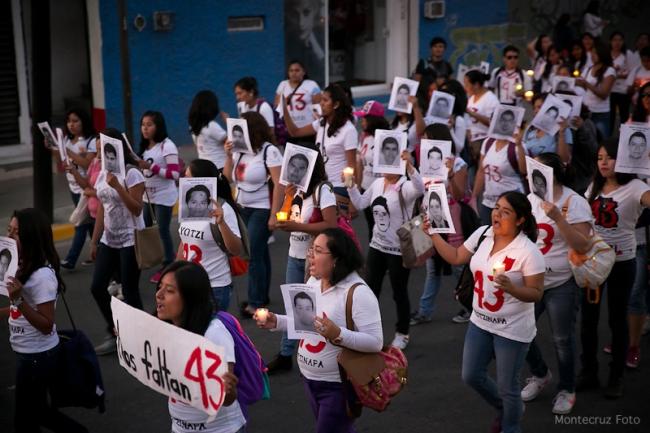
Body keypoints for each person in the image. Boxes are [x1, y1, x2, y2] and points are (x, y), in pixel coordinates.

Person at [426, 191, 545, 433]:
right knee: (471, 375)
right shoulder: (483, 234)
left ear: (520, 219)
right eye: (496, 208)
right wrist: (434, 235)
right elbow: (457, 256)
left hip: (511, 330)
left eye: (506, 212)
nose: (497, 214)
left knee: (508, 386)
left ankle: (510, 426)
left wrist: (512, 288)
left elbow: (536, 293)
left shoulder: (528, 252)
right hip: (480, 322)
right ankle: (508, 407)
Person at [255, 228, 383, 433]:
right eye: (310, 250)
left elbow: (375, 342)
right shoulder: (314, 281)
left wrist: (338, 334)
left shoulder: (358, 293)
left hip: (337, 386)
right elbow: (308, 324)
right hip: (309, 380)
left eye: (317, 250)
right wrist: (276, 321)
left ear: (336, 259)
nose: (310, 256)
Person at [1, 208, 88, 432]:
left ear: (32, 237)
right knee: (37, 413)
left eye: (16, 233)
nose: (9, 237)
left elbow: (46, 324)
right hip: (28, 354)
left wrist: (19, 300)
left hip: (38, 357)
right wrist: (12, 304)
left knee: (26, 420)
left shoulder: (41, 276)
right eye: (9, 230)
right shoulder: (22, 266)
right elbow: (16, 309)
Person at [519, 153, 592, 415]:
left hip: (562, 283)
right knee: (519, 332)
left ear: (551, 174)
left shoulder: (574, 201)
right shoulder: (530, 200)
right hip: (532, 280)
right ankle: (540, 374)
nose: (530, 174)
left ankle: (567, 388)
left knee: (562, 339)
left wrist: (559, 218)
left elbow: (584, 245)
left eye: (536, 169)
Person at [580, 138, 650, 398]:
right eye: (599, 158)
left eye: (609, 157)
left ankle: (615, 376)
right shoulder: (594, 186)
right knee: (588, 320)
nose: (603, 162)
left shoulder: (635, 187)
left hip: (622, 263)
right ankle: (588, 371)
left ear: (622, 159)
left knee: (617, 321)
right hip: (593, 263)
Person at [266, 152, 337, 373]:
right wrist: (287, 199)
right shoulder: (295, 190)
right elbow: (285, 218)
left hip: (315, 260)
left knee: (315, 306)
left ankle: (320, 352)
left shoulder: (322, 191)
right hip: (294, 255)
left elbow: (331, 225)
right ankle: (286, 354)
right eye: (292, 167)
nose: (294, 172)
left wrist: (298, 228)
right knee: (294, 304)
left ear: (311, 169)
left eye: (300, 167)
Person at [154, 261, 244, 433]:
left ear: (190, 298)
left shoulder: (214, 334)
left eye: (170, 291)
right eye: (160, 287)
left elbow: (228, 398)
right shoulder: (166, 328)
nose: (159, 294)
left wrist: (227, 390)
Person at [348, 150, 425, 349]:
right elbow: (360, 203)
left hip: (398, 249)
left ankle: (402, 332)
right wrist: (350, 184)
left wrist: (410, 167)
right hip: (376, 246)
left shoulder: (404, 186)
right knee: (370, 289)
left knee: (399, 292)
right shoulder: (377, 184)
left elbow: (420, 188)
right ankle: (367, 330)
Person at [223, 112, 284, 318]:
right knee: (260, 252)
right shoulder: (239, 151)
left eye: (241, 130)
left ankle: (255, 302)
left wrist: (274, 214)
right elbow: (226, 178)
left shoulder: (270, 151)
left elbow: (279, 184)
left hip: (262, 208)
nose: (236, 135)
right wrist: (227, 155)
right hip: (243, 207)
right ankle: (262, 296)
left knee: (253, 254)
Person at [90, 128, 146, 355]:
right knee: (97, 287)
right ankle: (116, 330)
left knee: (130, 291)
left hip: (131, 238)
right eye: (97, 152)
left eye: (101, 152)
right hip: (109, 239)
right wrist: (94, 241)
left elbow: (136, 208)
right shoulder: (104, 173)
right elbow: (103, 208)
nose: (98, 157)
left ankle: (143, 336)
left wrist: (118, 187)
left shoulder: (132, 174)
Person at [410, 124, 471, 326]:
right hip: (429, 218)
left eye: (428, 138)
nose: (423, 143)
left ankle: (472, 305)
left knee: (457, 266)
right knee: (432, 267)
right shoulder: (425, 163)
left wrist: (451, 173)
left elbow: (460, 194)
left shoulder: (458, 163)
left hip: (452, 220)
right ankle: (425, 311)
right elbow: (421, 190)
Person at [283, 84, 358, 215]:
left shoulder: (349, 130)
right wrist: (285, 109)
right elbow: (294, 132)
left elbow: (352, 166)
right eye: (321, 100)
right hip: (320, 186)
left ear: (336, 104)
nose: (321, 103)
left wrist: (351, 199)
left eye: (325, 100)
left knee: (334, 229)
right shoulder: (321, 124)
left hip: (338, 187)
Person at [178, 159, 242, 312]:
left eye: (188, 176)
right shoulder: (189, 206)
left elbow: (236, 249)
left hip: (215, 288)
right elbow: (184, 242)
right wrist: (174, 273)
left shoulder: (223, 209)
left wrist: (221, 223)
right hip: (191, 284)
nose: (184, 180)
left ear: (202, 180)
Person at [137, 111, 180, 283]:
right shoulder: (145, 146)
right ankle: (160, 256)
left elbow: (175, 173)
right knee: (146, 227)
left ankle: (169, 263)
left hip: (164, 196)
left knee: (162, 230)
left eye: (149, 125)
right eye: (143, 125)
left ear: (158, 126)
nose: (145, 129)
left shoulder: (167, 146)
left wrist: (151, 167)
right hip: (148, 196)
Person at [53, 108, 96, 270]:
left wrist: (67, 151)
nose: (71, 124)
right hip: (73, 187)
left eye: (75, 120)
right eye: (69, 121)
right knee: (90, 222)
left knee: (80, 223)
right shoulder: (67, 140)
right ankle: (97, 252)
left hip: (86, 187)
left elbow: (87, 164)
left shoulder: (90, 141)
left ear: (84, 121)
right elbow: (60, 161)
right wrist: (54, 148)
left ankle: (71, 259)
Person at [472, 128, 527, 224]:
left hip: (510, 204)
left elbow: (524, 170)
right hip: (488, 201)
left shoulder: (516, 145)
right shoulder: (488, 142)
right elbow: (481, 171)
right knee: (486, 234)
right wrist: (474, 196)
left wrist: (519, 145)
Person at [358, 102, 392, 234]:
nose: (362, 120)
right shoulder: (364, 137)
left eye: (365, 118)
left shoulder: (388, 138)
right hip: (367, 189)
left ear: (373, 119)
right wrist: (358, 186)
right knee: (371, 227)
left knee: (384, 228)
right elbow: (360, 162)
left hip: (384, 191)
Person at [275, 60, 322, 144]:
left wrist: (319, 128)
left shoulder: (311, 84)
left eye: (297, 70)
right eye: (291, 70)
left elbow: (318, 108)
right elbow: (277, 106)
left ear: (303, 72)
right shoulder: (283, 85)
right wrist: (285, 101)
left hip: (307, 129)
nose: (294, 73)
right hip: (288, 129)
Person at [576, 41, 616, 138]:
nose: (592, 55)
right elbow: (583, 86)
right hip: (587, 111)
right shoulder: (589, 69)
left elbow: (604, 94)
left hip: (601, 113)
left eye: (595, 53)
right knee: (586, 141)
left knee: (600, 140)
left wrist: (587, 84)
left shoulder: (609, 70)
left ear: (602, 54)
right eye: (592, 53)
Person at [464, 70, 500, 169]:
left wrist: (471, 113)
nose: (465, 87)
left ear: (476, 84)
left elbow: (493, 122)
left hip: (484, 140)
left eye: (467, 84)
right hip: (472, 141)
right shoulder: (471, 98)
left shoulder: (491, 99)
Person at [284, 0, 325, 86]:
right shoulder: (288, 44)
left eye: (306, 13)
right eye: (295, 15)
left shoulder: (322, 38)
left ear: (315, 12)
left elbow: (323, 68)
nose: (301, 23)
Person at [189, 89, 228, 169]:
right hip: (219, 166)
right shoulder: (211, 126)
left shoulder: (193, 126)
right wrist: (228, 122)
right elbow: (231, 143)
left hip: (204, 167)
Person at [609, 32, 634, 132]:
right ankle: (608, 138)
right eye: (615, 40)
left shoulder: (628, 54)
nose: (617, 42)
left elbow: (633, 71)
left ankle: (624, 137)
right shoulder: (607, 54)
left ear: (623, 42)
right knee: (610, 115)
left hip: (623, 90)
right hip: (609, 90)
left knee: (624, 115)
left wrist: (617, 75)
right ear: (610, 41)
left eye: (620, 40)